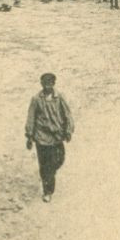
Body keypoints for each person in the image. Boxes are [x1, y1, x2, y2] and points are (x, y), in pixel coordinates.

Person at [24, 72, 75, 203]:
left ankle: (50, 173)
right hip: (41, 138)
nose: (47, 86)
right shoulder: (36, 99)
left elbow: (67, 115)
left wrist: (68, 131)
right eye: (44, 83)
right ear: (41, 84)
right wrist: (29, 136)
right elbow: (31, 118)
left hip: (57, 137)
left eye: (49, 83)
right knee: (44, 166)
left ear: (53, 84)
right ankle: (48, 191)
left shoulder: (59, 98)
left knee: (59, 160)